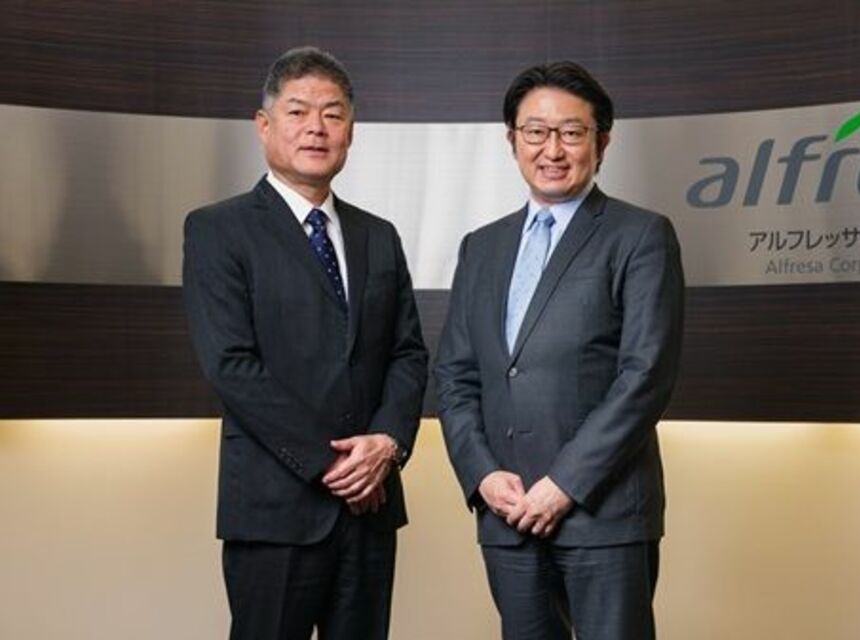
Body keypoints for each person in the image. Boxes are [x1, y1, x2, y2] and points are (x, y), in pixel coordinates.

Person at [182, 46, 427, 640]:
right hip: (275, 510)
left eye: (333, 114)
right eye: (297, 112)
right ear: (264, 125)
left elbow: (408, 353)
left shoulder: (379, 235)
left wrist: (387, 444)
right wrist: (332, 463)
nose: (316, 127)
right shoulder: (218, 229)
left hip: (370, 507)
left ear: (351, 131)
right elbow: (231, 365)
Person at [434, 60, 685, 640]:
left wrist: (565, 483)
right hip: (507, 514)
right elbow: (455, 375)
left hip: (603, 514)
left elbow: (645, 375)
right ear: (512, 141)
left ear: (603, 142)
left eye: (571, 132)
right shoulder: (481, 247)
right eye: (535, 132)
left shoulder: (640, 235)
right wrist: (482, 475)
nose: (552, 149)